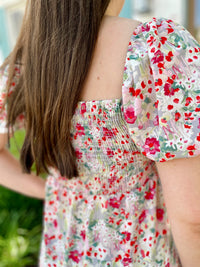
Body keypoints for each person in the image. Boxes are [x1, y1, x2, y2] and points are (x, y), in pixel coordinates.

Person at [0, 0, 200, 266]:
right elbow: (192, 216)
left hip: (63, 252)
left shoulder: (24, 65)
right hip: (141, 253)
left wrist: (51, 190)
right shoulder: (156, 47)